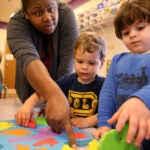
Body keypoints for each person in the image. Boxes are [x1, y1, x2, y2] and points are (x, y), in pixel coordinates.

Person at [7, 0, 78, 148]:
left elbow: (67, 61)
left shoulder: (66, 15)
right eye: (38, 13)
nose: (47, 17)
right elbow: (28, 59)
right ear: (26, 14)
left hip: (59, 91)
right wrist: (52, 95)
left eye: (51, 9)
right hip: (29, 95)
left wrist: (57, 98)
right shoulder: (16, 24)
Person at [15, 32, 106, 129]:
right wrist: (29, 104)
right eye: (80, 61)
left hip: (92, 132)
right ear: (74, 59)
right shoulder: (67, 81)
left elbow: (110, 111)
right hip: (67, 129)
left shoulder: (105, 85)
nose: (84, 67)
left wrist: (88, 121)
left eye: (91, 63)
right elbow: (45, 92)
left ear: (101, 63)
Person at [92, 0, 150, 149]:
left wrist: (141, 100)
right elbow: (108, 94)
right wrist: (104, 123)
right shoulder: (118, 60)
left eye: (140, 27)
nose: (133, 35)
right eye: (126, 32)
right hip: (121, 137)